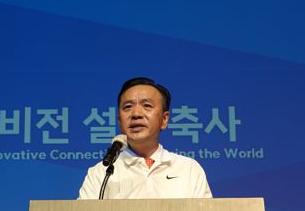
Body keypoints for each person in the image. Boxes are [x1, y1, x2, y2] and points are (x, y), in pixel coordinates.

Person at [78, 77, 213, 199]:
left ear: (164, 119)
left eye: (147, 106)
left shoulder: (189, 169)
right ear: (119, 121)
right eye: (127, 107)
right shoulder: (101, 173)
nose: (136, 114)